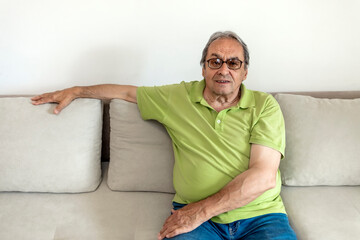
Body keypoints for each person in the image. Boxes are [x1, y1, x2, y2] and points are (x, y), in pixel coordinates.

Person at [31, 31, 297, 240]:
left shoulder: (264, 106)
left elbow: (263, 177)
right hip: (196, 221)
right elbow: (126, 93)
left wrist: (199, 212)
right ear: (203, 68)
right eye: (214, 61)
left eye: (233, 62)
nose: (223, 69)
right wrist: (78, 90)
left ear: (245, 71)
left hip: (261, 217)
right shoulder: (177, 98)